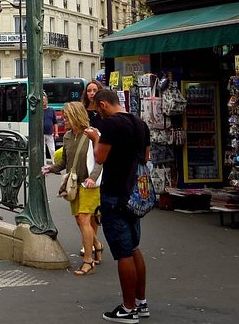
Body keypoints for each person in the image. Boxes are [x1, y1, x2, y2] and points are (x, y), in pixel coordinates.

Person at [84, 88, 151, 322]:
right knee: (134, 247)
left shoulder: (112, 125)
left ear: (103, 104)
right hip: (135, 193)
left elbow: (100, 158)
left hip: (115, 193)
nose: (98, 114)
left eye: (97, 109)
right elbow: (146, 157)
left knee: (123, 253)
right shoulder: (140, 123)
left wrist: (95, 138)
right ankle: (141, 302)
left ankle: (128, 308)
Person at [42, 102, 103, 276]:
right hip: (74, 184)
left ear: (76, 116)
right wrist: (50, 168)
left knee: (84, 219)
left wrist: (92, 178)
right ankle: (97, 245)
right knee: (79, 221)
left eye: (67, 117)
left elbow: (100, 159)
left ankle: (88, 261)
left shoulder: (93, 134)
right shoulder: (68, 137)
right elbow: (65, 162)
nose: (63, 120)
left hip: (89, 185)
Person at [42, 92, 57, 164]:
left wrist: (56, 133)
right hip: (41, 134)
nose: (43, 102)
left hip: (49, 133)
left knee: (52, 150)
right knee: (43, 151)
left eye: (44, 100)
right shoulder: (39, 111)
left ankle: (55, 164)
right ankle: (44, 165)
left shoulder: (51, 110)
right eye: (42, 100)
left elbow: (55, 122)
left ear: (47, 101)